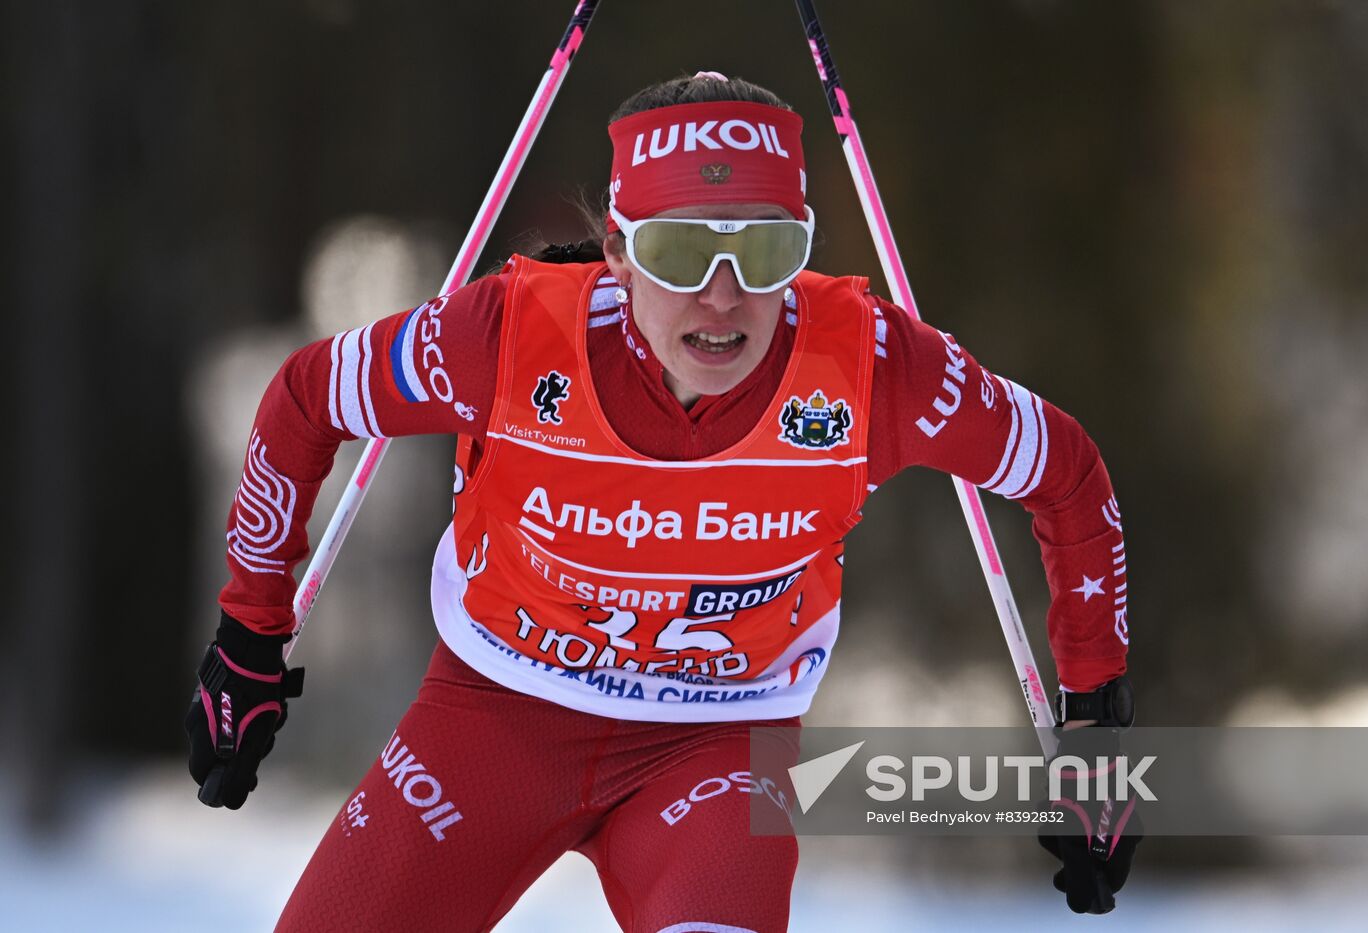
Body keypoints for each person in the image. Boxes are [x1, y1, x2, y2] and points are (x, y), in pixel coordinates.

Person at [186, 72, 1139, 931]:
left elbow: (1069, 475)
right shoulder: (504, 338)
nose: (723, 297)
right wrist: (249, 633)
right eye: (682, 251)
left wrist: (1097, 716)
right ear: (618, 251)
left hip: (718, 744)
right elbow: (307, 398)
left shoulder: (875, 369)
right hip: (494, 714)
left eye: (767, 249)